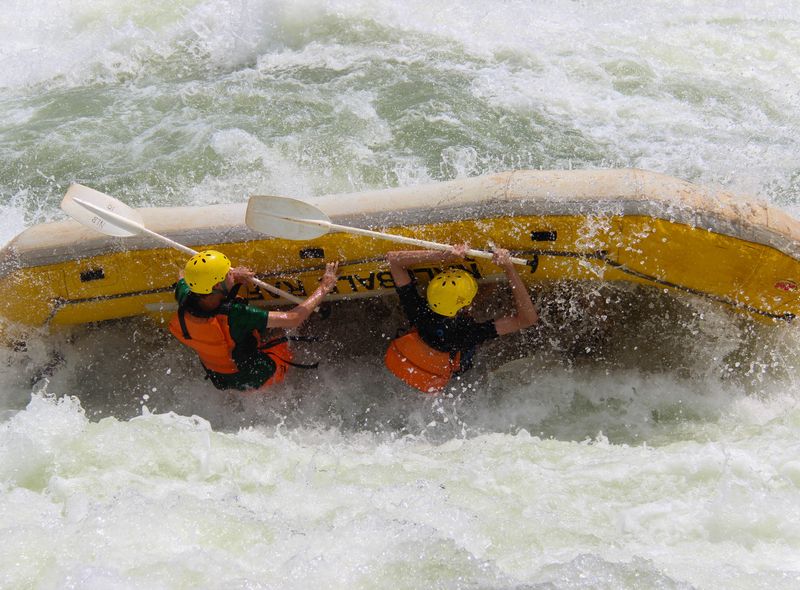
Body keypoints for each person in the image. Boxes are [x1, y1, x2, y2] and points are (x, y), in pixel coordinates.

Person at [168, 249, 338, 392]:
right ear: (216, 286)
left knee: (247, 336)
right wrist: (324, 287)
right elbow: (293, 318)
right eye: (227, 273)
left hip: (220, 379)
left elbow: (183, 274)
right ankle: (280, 384)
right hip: (257, 378)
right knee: (282, 334)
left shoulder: (185, 296)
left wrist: (231, 276)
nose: (231, 272)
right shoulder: (237, 315)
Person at [384, 245, 538, 394]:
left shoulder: (418, 310)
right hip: (449, 371)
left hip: (418, 359)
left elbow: (393, 260)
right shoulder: (465, 334)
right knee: (490, 287)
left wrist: (443, 255)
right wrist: (509, 268)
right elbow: (527, 319)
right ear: (462, 309)